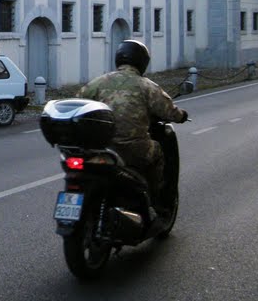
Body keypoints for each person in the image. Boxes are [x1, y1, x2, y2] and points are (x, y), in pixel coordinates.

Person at [77, 40, 188, 202]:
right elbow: (170, 111)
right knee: (158, 152)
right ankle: (154, 198)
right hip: (133, 148)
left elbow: (78, 100)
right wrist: (182, 115)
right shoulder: (147, 86)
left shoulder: (98, 82)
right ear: (142, 62)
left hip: (102, 148)